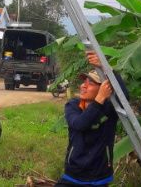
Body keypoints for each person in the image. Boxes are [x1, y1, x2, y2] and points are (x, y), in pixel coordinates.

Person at [54, 51, 129, 187]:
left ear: (104, 89)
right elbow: (80, 124)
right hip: (73, 175)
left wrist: (108, 70)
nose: (83, 85)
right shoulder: (73, 105)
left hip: (99, 177)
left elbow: (124, 98)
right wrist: (99, 98)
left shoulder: (109, 109)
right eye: (84, 82)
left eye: (91, 83)